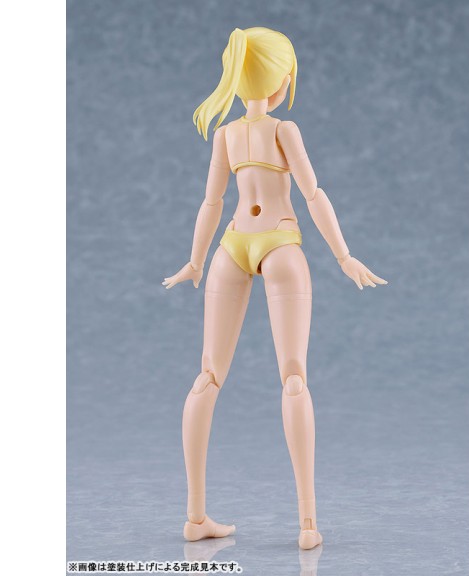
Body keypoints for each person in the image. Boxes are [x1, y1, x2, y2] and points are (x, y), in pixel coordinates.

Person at [163, 27, 386, 550]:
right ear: (283, 81)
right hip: (280, 243)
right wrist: (344, 255)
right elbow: (313, 193)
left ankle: (195, 516)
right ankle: (307, 524)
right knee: (293, 377)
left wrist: (196, 260)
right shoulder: (285, 129)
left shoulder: (227, 135)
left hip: (230, 245)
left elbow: (212, 203)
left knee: (207, 376)